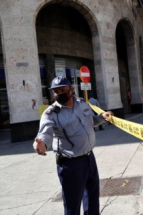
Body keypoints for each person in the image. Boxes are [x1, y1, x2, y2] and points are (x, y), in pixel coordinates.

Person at [33, 76, 113, 215]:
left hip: (89, 158)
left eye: (63, 89)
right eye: (56, 91)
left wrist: (101, 117)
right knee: (72, 204)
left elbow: (91, 122)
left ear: (71, 89)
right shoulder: (51, 114)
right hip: (71, 164)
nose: (59, 93)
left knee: (92, 197)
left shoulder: (82, 103)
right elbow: (45, 134)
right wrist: (42, 144)